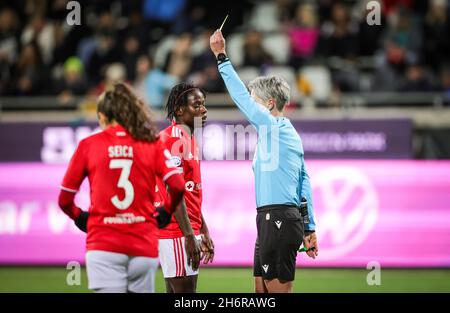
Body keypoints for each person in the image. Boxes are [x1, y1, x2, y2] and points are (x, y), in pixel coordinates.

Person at [58, 83, 195, 293]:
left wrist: (80, 217)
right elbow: (177, 185)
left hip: (103, 244)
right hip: (142, 243)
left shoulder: (89, 145)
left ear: (102, 116)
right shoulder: (151, 143)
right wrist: (165, 213)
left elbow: (64, 200)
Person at [210, 30, 318, 293]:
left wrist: (221, 56)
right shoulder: (286, 133)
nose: (251, 106)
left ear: (269, 104)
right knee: (261, 293)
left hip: (278, 218)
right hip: (273, 219)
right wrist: (309, 226)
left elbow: (240, 98)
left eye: (256, 101)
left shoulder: (271, 127)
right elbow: (304, 182)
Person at [155, 82, 214, 293]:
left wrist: (203, 230)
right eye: (197, 105)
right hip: (177, 231)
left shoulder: (188, 138)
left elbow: (190, 192)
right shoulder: (172, 140)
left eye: (204, 105)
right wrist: (189, 236)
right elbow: (174, 193)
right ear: (179, 110)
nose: (203, 110)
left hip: (185, 229)